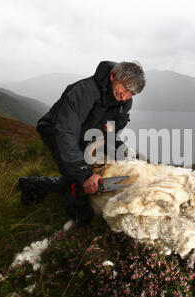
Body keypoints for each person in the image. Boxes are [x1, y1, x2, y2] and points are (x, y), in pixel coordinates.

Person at [19, 60, 146, 227]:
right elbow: (66, 132)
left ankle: (32, 186)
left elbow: (116, 124)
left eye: (131, 93)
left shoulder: (124, 100)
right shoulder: (84, 91)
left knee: (109, 164)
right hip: (57, 130)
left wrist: (116, 137)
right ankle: (80, 226)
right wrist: (84, 174)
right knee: (80, 179)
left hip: (87, 133)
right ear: (113, 76)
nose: (125, 96)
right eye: (124, 88)